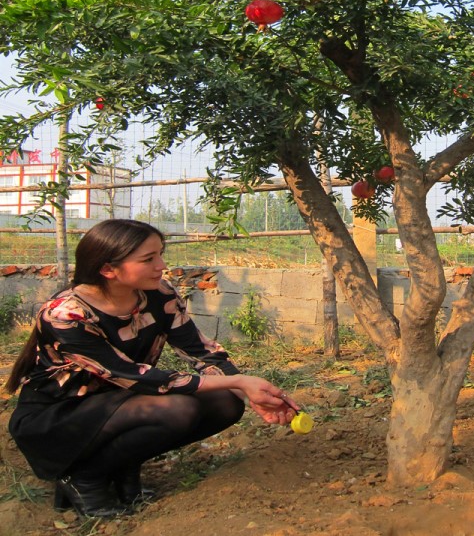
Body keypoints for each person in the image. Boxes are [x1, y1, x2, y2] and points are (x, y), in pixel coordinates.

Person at [5, 219, 299, 518]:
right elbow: (132, 376)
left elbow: (200, 351)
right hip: (62, 417)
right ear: (108, 269)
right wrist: (240, 381)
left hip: (123, 404)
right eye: (148, 259)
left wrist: (246, 389)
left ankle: (123, 469)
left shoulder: (159, 295)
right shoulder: (67, 314)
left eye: (161, 253)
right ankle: (85, 477)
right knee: (175, 410)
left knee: (226, 402)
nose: (161, 265)